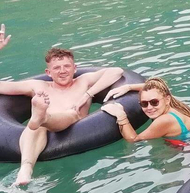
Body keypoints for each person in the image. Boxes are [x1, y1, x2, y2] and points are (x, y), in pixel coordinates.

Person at [0, 48, 122, 185]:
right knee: (37, 126)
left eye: (67, 66)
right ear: (48, 72)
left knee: (71, 114)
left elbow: (116, 71)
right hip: (44, 127)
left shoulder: (84, 81)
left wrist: (88, 94)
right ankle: (25, 170)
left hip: (75, 126)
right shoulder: (38, 85)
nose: (62, 71)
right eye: (57, 68)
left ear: (75, 68)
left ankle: (42, 117)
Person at [101, 77, 190, 145]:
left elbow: (133, 139)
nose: (149, 107)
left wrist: (121, 116)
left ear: (166, 99)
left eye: (154, 102)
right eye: (144, 103)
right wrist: (128, 87)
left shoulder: (164, 120)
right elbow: (158, 88)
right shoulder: (175, 104)